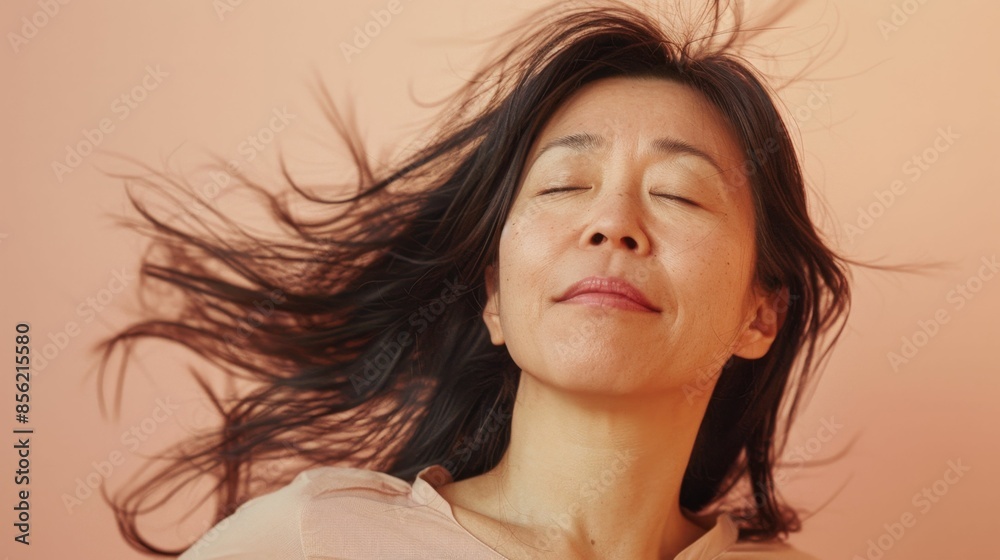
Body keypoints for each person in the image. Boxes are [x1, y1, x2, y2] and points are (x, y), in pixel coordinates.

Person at [96, 1, 850, 558]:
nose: (613, 224)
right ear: (493, 295)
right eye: (564, 185)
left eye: (680, 194)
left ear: (762, 315)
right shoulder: (309, 539)